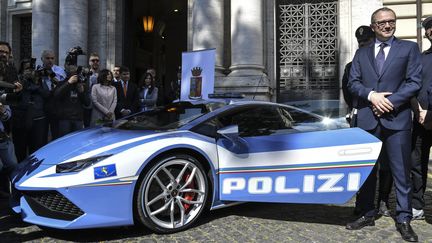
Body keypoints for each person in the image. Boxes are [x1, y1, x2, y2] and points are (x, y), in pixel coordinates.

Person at [346, 7, 421, 242]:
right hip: (368, 119)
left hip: (396, 119)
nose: (388, 26)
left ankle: (404, 218)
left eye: (391, 21)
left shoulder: (408, 49)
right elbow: (353, 82)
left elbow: (414, 82)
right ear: (373, 26)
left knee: (401, 173)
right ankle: (367, 212)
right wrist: (371, 96)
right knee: (367, 172)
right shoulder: (362, 54)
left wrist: (388, 101)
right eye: (382, 23)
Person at [342, 26, 393, 217]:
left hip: (387, 117)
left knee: (386, 164)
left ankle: (383, 201)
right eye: (360, 43)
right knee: (363, 165)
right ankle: (363, 203)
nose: (363, 45)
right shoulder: (350, 66)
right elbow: (348, 94)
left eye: (366, 42)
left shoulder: (387, 62)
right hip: (362, 117)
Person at [409, 16, 432, 221]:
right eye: (430, 28)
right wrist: (419, 111)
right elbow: (412, 87)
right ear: (426, 33)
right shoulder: (421, 58)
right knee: (417, 163)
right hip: (421, 120)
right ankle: (417, 204)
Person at [11, 58, 50, 162]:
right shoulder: (17, 80)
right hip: (21, 121)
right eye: (27, 68)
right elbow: (14, 97)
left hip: (38, 120)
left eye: (32, 68)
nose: (30, 71)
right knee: (20, 151)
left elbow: (47, 94)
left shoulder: (39, 80)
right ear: (22, 70)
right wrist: (23, 81)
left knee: (36, 151)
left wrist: (36, 85)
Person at [0, 41, 19, 199]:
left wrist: (3, 110)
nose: (3, 54)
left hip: (3, 132)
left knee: (12, 164)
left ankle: (11, 195)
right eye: (0, 51)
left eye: (6, 52)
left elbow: (10, 105)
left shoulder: (10, 72)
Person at [54, 64, 91, 137]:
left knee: (77, 143)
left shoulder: (81, 83)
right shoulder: (62, 83)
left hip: (78, 119)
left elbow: (87, 103)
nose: (72, 69)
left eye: (74, 67)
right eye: (70, 67)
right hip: (65, 119)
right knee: (65, 143)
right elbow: (56, 95)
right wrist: (68, 83)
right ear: (66, 69)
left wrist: (82, 92)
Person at [39, 49, 67, 140]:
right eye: (47, 58)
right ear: (42, 59)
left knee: (56, 135)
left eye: (52, 58)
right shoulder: (38, 71)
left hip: (56, 107)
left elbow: (64, 88)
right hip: (42, 106)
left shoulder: (60, 71)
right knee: (42, 134)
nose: (50, 60)